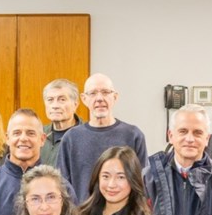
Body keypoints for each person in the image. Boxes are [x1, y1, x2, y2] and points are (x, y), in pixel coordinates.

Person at [57, 73, 148, 203]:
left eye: (105, 92)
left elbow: (143, 184)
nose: (99, 98)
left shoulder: (133, 135)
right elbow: (61, 185)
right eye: (93, 93)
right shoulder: (71, 138)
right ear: (84, 99)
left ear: (115, 97)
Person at [41, 78, 82, 168]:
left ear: (75, 104)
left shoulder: (86, 135)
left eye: (62, 100)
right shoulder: (38, 134)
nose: (55, 106)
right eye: (50, 100)